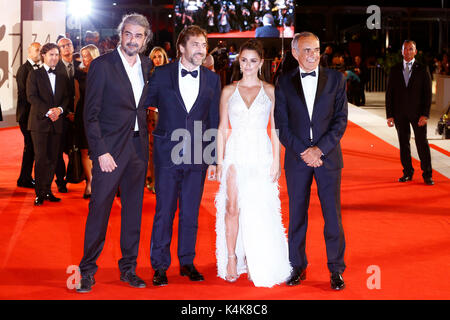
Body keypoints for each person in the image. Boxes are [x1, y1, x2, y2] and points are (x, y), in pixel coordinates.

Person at [76, 13, 153, 293]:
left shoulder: (146, 65)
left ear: (145, 40)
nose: (133, 40)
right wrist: (100, 152)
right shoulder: (102, 65)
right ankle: (87, 270)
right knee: (99, 210)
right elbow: (91, 114)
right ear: (121, 35)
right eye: (128, 34)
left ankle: (129, 269)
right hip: (110, 151)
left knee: (133, 212)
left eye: (138, 36)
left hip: (137, 149)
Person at [146, 25, 221, 287]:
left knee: (190, 212)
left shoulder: (212, 78)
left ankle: (187, 261)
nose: (201, 49)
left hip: (197, 153)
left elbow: (214, 119)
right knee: (164, 211)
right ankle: (160, 265)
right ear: (181, 48)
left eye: (204, 45)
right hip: (167, 151)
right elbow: (144, 103)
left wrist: (213, 159)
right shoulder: (162, 73)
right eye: (196, 44)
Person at [215, 39, 291, 287]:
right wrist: (218, 161)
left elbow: (276, 129)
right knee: (232, 206)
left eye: (253, 61)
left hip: (261, 153)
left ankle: (255, 256)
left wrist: (277, 161)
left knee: (258, 207)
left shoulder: (270, 91)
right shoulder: (228, 90)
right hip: (235, 152)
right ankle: (231, 257)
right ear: (239, 60)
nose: (248, 65)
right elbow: (222, 129)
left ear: (261, 63)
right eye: (244, 60)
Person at [274, 32, 348, 290]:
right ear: (294, 53)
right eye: (306, 50)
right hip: (297, 159)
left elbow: (340, 121)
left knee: (332, 216)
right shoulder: (283, 82)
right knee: (297, 215)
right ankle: (297, 266)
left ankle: (336, 270)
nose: (312, 55)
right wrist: (305, 151)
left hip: (328, 158)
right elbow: (281, 125)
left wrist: (320, 150)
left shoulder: (337, 79)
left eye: (316, 49)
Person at [26, 43, 70, 206]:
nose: (55, 58)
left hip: (57, 123)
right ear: (43, 55)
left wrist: (59, 110)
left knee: (53, 158)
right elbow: (32, 97)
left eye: (57, 54)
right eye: (51, 54)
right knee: (41, 158)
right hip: (39, 123)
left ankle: (47, 190)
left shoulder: (62, 76)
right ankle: (39, 193)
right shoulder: (34, 74)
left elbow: (67, 98)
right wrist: (49, 112)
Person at [386, 40, 433, 185]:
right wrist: (390, 115)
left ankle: (427, 174)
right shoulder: (394, 69)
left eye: (410, 49)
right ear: (401, 51)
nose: (407, 52)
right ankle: (407, 172)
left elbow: (427, 94)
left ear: (415, 51)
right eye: (405, 49)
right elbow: (390, 94)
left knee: (421, 143)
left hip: (418, 114)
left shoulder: (422, 69)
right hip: (400, 114)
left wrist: (425, 114)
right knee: (404, 143)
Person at [73, 44, 100, 198]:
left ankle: (99, 181)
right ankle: (90, 182)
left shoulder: (103, 72)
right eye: (83, 55)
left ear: (94, 55)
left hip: (99, 115)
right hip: (82, 115)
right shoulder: (79, 74)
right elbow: (77, 97)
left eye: (87, 55)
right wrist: (73, 114)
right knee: (84, 149)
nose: (85, 58)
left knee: (97, 149)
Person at [55, 37, 79, 193]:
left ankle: (75, 175)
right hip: (61, 115)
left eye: (68, 45)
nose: (66, 48)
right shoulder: (54, 68)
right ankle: (60, 180)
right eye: (62, 46)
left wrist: (76, 112)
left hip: (80, 114)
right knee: (58, 150)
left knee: (77, 148)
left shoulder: (81, 65)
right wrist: (67, 112)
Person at [16, 42, 41, 189]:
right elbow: (26, 95)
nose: (39, 52)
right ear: (29, 52)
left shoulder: (38, 68)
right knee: (30, 147)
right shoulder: (23, 70)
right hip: (26, 117)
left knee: (31, 148)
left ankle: (25, 178)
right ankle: (23, 179)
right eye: (37, 50)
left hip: (33, 116)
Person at [146, 46, 169, 193]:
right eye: (155, 57)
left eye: (160, 56)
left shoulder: (172, 74)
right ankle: (152, 180)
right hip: (152, 115)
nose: (157, 59)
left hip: (168, 115)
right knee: (153, 149)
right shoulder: (148, 75)